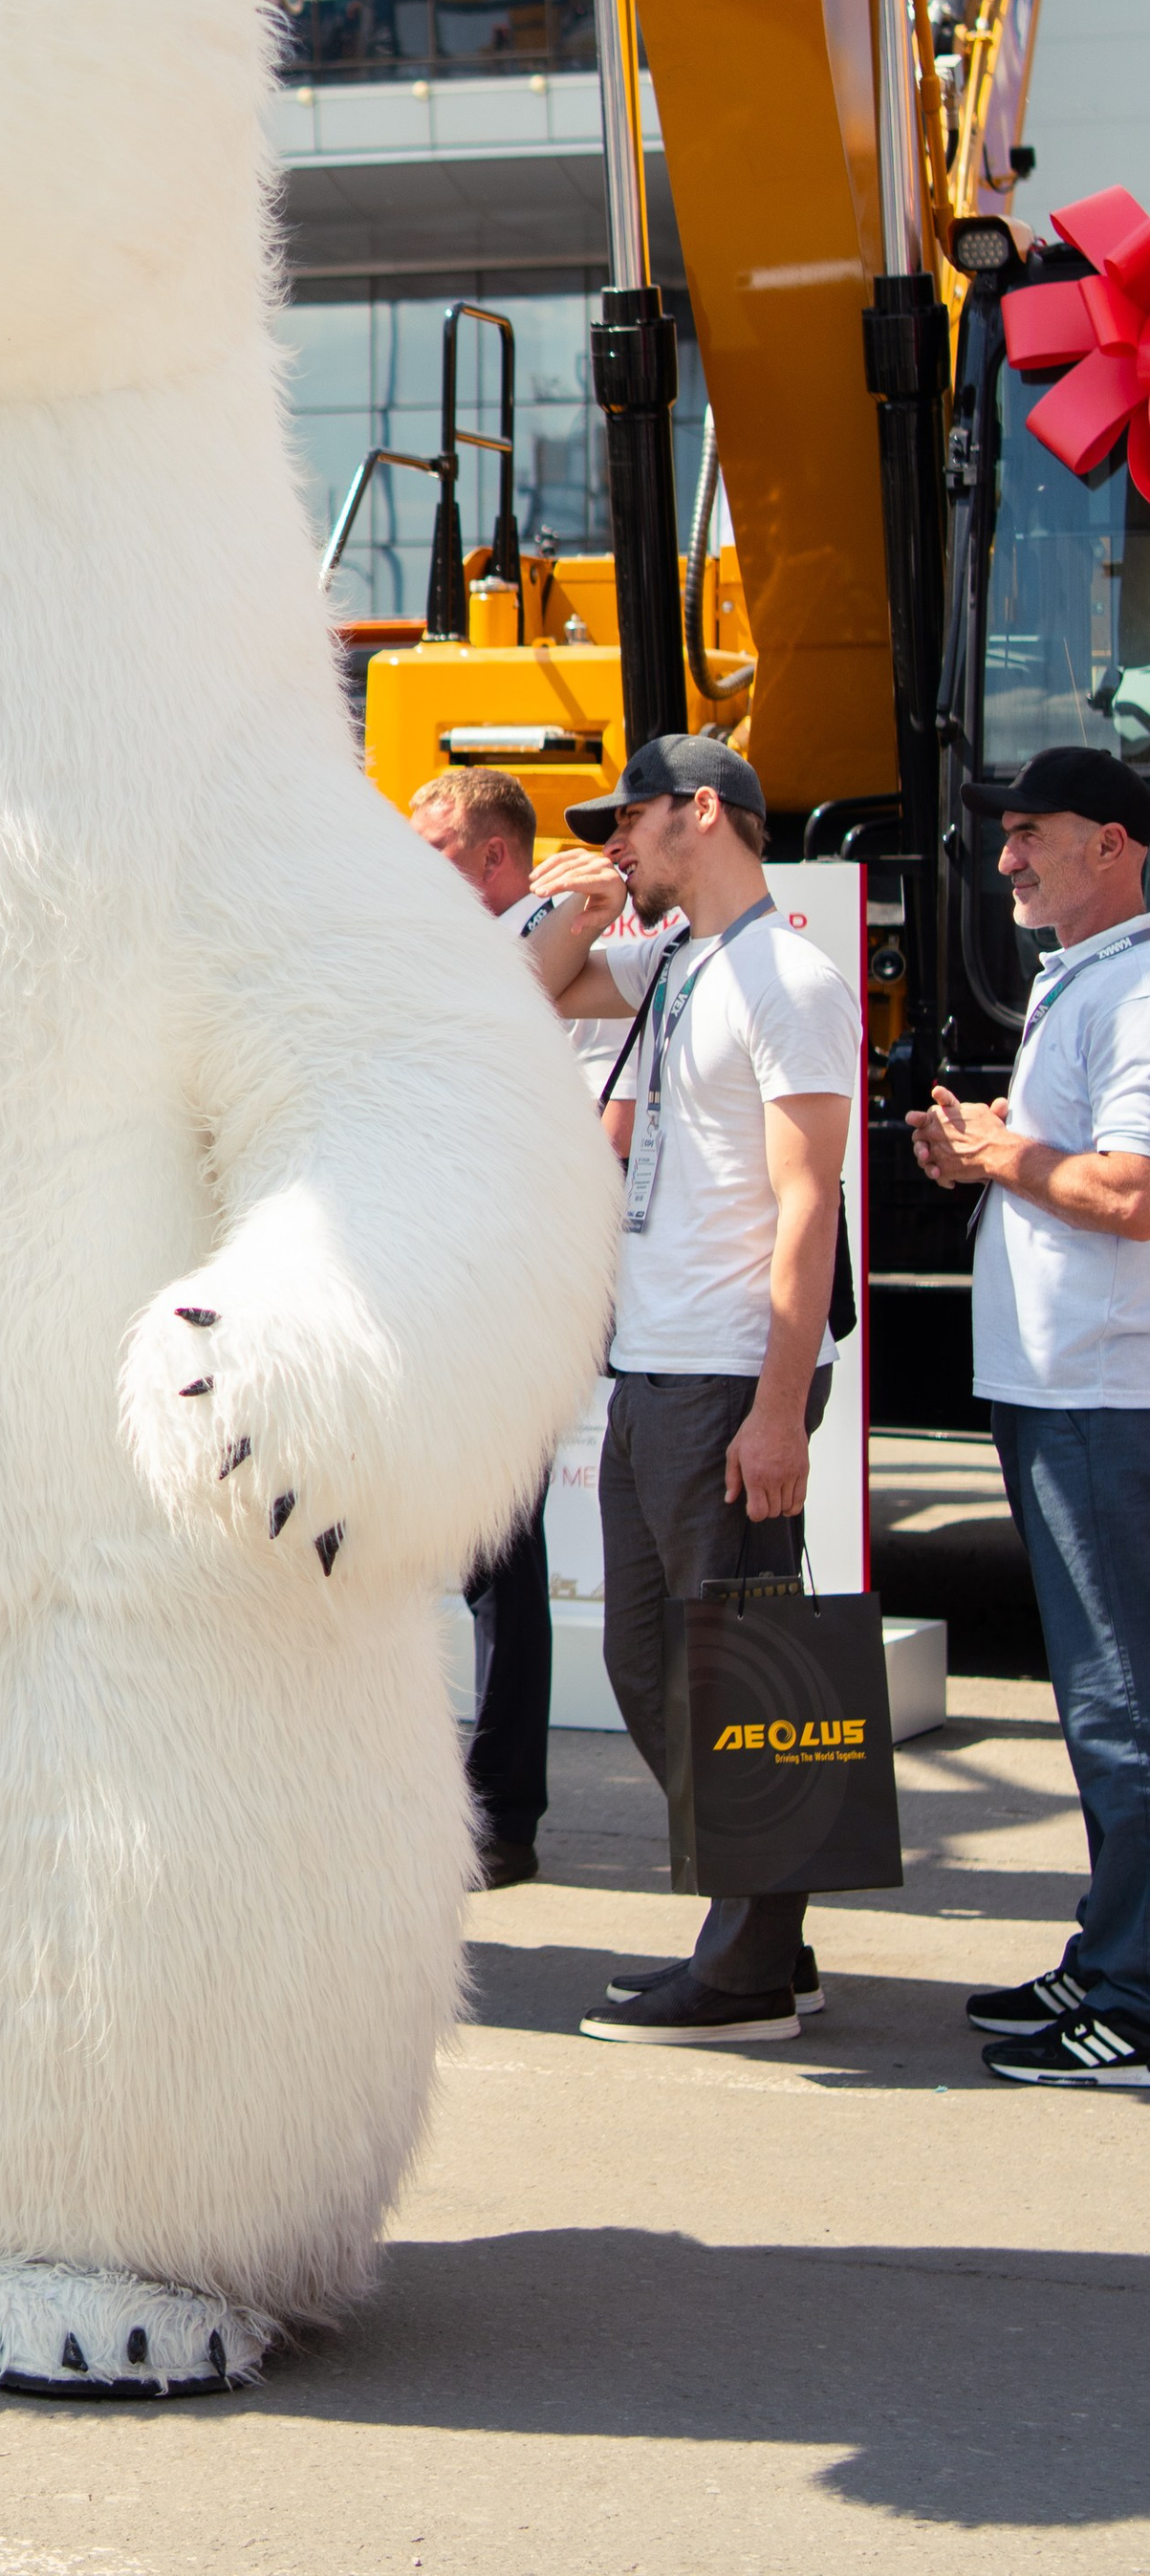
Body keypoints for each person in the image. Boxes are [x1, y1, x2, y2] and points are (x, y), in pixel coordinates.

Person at [527, 734, 856, 2047]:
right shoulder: (677, 961)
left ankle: (748, 1969)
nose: (616, 839)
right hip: (655, 1364)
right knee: (647, 1656)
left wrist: (780, 1410)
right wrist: (585, 899)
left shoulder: (788, 974)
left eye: (632, 822)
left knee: (739, 1668)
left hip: (726, 1373)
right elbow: (532, 984)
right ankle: (767, 1921)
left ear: (703, 813)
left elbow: (808, 1202)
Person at [909, 746, 1150, 2089]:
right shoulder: (1089, 976)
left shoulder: (1138, 985)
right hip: (1066, 1384)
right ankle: (1112, 1952)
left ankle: (1137, 1992)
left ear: (1112, 844)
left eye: (1031, 833)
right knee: (1103, 1701)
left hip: (1105, 1391)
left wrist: (1005, 1153)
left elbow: (1134, 1190)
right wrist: (994, 1147)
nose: (1004, 857)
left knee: (1125, 1709)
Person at [409, 766, 563, 1887]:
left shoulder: (554, 953)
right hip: (435, 1286)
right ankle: (467, 1802)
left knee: (501, 1565)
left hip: (504, 1297)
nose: (413, 872)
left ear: (497, 860)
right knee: (460, 1562)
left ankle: (503, 1811)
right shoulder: (451, 958)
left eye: (438, 851)